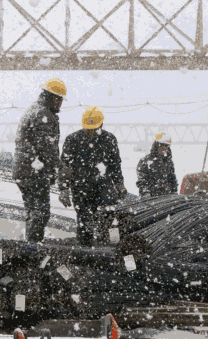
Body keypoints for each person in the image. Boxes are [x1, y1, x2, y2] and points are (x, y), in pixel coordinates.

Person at [58, 106, 127, 246]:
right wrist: (63, 188)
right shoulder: (73, 140)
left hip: (104, 186)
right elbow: (65, 167)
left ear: (101, 125)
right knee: (85, 222)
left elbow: (115, 165)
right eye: (88, 129)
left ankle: (112, 246)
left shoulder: (109, 139)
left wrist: (119, 184)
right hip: (81, 188)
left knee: (110, 216)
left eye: (94, 129)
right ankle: (86, 250)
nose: (91, 133)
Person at [13, 78, 65, 242]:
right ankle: (33, 246)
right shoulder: (44, 114)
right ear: (53, 97)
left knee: (33, 210)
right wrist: (60, 167)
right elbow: (47, 147)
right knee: (40, 212)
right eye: (60, 99)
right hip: (34, 171)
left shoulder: (35, 110)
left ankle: (31, 244)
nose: (61, 104)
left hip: (25, 170)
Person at [136, 133, 178, 197]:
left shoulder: (168, 162)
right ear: (157, 146)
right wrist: (146, 193)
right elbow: (142, 181)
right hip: (151, 198)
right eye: (163, 146)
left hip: (167, 197)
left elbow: (172, 180)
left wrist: (174, 193)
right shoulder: (145, 161)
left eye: (167, 146)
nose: (165, 149)